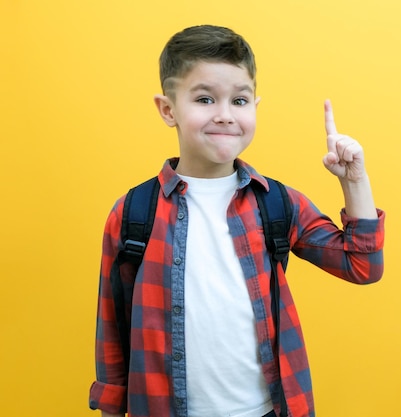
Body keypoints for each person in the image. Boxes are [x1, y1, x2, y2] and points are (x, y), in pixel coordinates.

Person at [89, 24, 385, 417]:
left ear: (255, 108)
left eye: (240, 101)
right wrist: (111, 406)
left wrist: (355, 181)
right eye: (206, 99)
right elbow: (111, 324)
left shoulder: (276, 203)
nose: (225, 116)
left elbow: (362, 266)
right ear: (168, 109)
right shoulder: (133, 213)